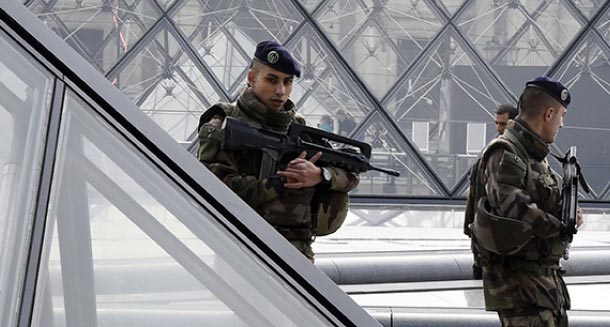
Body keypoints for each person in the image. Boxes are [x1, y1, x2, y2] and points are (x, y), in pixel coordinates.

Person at [197, 40, 359, 262]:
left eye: (288, 82)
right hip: (240, 245)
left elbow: (350, 173)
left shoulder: (299, 129)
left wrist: (320, 175)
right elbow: (212, 188)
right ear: (252, 78)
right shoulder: (225, 123)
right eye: (272, 80)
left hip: (297, 250)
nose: (281, 91)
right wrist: (280, 183)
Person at [468, 76, 583, 327]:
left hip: (540, 286)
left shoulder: (532, 155)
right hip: (521, 286)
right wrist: (561, 227)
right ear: (549, 113)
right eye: (562, 116)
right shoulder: (505, 153)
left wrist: (568, 212)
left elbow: (539, 201)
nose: (562, 124)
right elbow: (516, 209)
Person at [466, 103, 519, 280]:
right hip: (487, 237)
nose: (499, 128)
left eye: (503, 124)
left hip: (490, 236)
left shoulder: (502, 150)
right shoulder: (499, 150)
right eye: (497, 123)